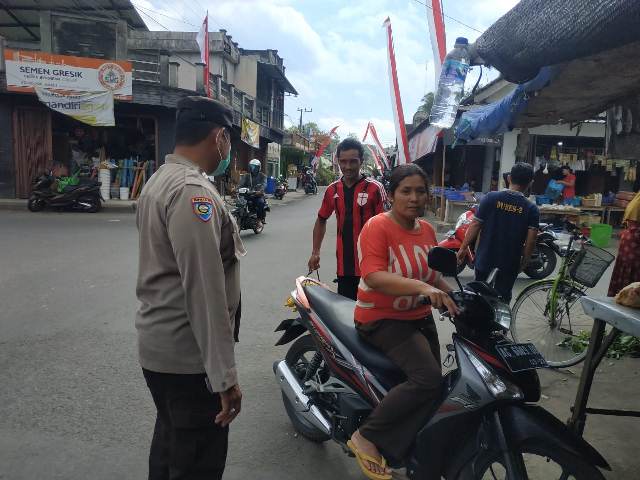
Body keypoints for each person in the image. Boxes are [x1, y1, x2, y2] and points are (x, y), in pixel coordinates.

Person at [135, 96, 245, 480]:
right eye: (229, 141)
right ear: (219, 137)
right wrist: (224, 377)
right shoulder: (191, 192)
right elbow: (204, 290)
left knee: (170, 447)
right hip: (188, 357)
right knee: (197, 461)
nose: (229, 150)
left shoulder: (160, 181)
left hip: (163, 350)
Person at [347, 164, 458, 479]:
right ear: (392, 194)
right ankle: (367, 436)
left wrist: (457, 296)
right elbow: (374, 275)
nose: (414, 198)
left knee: (454, 375)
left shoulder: (426, 229)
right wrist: (424, 288)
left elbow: (432, 274)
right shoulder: (376, 227)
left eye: (420, 191)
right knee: (428, 378)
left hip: (419, 316)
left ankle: (418, 443)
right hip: (382, 319)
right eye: (405, 191)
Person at [307, 138, 387, 300]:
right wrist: (315, 252)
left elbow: (389, 225)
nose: (347, 167)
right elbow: (322, 219)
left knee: (375, 318)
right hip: (345, 268)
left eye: (353, 161)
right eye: (343, 161)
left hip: (376, 266)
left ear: (361, 161)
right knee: (347, 316)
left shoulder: (375, 188)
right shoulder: (332, 190)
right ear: (337, 161)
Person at [457, 162, 539, 302]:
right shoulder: (531, 208)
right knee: (503, 297)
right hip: (510, 261)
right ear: (530, 183)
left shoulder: (490, 198)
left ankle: (478, 320)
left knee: (478, 293)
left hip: (485, 257)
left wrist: (463, 247)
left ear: (509, 179)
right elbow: (531, 240)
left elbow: (475, 224)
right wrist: (525, 260)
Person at [608, 191, 640, 296]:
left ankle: (620, 298)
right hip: (635, 244)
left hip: (628, 241)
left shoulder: (637, 199)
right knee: (631, 279)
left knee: (624, 273)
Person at [238, 158, 268, 222]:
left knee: (260, 203)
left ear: (258, 168)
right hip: (247, 194)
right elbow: (241, 184)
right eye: (251, 166)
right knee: (239, 203)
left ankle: (259, 220)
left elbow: (264, 184)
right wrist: (236, 189)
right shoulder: (246, 176)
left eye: (254, 167)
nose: (253, 168)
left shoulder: (262, 176)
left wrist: (260, 190)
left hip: (257, 195)